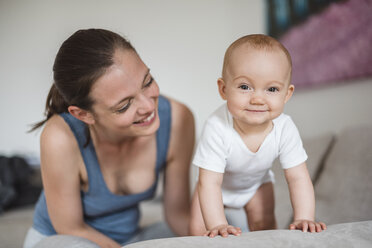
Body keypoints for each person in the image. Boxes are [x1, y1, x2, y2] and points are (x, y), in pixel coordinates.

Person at [23, 28, 195, 248]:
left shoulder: (178, 119)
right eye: (124, 105)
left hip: (130, 240)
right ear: (84, 114)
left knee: (228, 225)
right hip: (66, 241)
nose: (149, 106)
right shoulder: (60, 136)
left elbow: (178, 216)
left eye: (148, 81)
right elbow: (70, 229)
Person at [189, 34, 327, 238]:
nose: (258, 99)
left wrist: (304, 217)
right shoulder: (216, 126)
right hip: (216, 186)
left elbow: (298, 177)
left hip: (255, 185)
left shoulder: (285, 128)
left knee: (265, 227)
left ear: (286, 94)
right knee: (198, 232)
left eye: (272, 89)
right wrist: (218, 224)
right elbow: (209, 182)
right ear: (224, 89)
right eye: (245, 87)